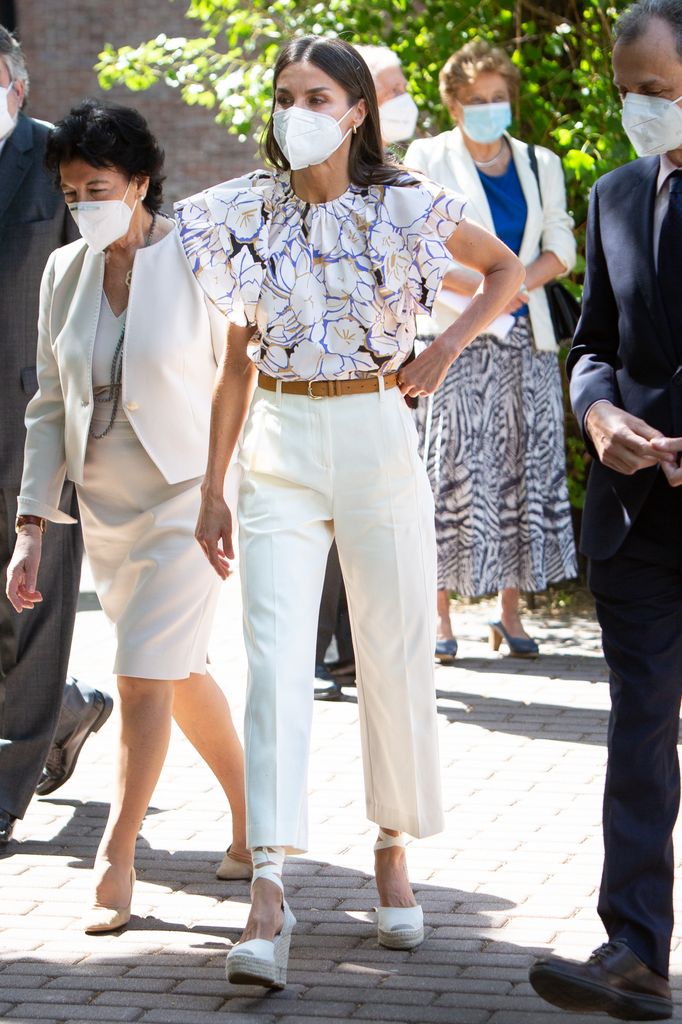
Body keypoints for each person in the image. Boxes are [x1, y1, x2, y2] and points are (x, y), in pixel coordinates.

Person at [176, 35, 523, 989]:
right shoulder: (248, 211)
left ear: (356, 111)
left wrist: (443, 350)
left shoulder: (408, 202)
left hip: (377, 431)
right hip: (279, 445)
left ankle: (390, 850)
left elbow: (505, 270)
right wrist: (212, 487)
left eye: (316, 94)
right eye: (285, 93)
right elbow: (238, 358)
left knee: (394, 647)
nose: (297, 108)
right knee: (275, 663)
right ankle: (272, 888)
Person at [5, 99, 250, 931]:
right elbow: (47, 404)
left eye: (98, 187)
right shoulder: (63, 271)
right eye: (72, 192)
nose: (84, 205)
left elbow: (234, 377)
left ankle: (117, 854)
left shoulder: (197, 257)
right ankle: (255, 822)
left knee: (142, 672)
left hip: (187, 494)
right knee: (177, 671)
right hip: (105, 504)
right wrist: (31, 528)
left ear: (141, 182)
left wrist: (220, 490)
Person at [528, 2, 682, 1019]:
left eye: (655, 90)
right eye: (625, 88)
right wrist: (594, 412)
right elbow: (592, 339)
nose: (635, 107)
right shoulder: (613, 193)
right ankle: (632, 947)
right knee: (638, 730)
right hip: (631, 517)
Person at [405, 40, 577, 662]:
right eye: (475, 100)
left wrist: (512, 287)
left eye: (498, 98)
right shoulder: (426, 157)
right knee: (448, 471)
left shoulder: (539, 162)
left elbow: (561, 247)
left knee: (520, 472)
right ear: (453, 103)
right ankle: (440, 616)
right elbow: (422, 246)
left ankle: (510, 614)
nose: (487, 109)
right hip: (456, 340)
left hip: (526, 342)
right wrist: (486, 294)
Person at [0, 25, 112, 851]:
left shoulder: (56, 161)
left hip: (38, 422)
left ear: (15, 86)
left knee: (30, 606)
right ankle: (70, 712)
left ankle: (7, 786)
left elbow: (115, 280)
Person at [355, 45, 419, 146]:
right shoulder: (335, 160)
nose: (404, 98)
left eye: (405, 89)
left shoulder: (393, 160)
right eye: (394, 90)